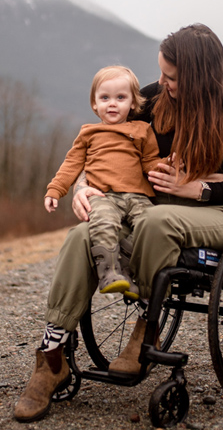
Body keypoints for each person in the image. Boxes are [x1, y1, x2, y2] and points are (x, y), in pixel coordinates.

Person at [14, 23, 223, 423]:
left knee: (159, 220)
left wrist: (198, 188)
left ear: (200, 77)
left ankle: (146, 329)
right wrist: (81, 187)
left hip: (214, 215)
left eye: (172, 77)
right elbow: (104, 144)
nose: (161, 83)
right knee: (82, 235)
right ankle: (52, 355)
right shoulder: (153, 99)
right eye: (161, 73)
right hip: (147, 208)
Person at [44, 65, 164, 301]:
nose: (112, 103)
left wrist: (166, 167)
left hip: (138, 196)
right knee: (104, 224)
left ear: (133, 104)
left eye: (120, 98)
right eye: (105, 98)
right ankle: (108, 272)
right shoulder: (89, 133)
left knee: (149, 227)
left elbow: (150, 161)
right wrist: (55, 190)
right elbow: (71, 164)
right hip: (103, 196)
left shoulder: (142, 130)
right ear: (94, 104)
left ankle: (128, 271)